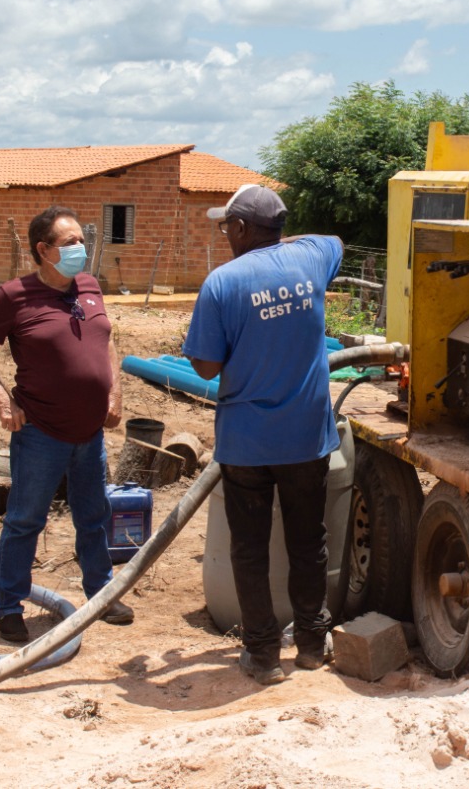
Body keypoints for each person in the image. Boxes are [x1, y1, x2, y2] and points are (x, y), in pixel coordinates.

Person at [183, 184, 343, 685]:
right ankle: (314, 644)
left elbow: (205, 366)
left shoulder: (222, 283)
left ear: (242, 229)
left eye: (228, 225)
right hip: (307, 439)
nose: (224, 233)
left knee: (250, 547)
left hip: (248, 443)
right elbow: (332, 239)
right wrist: (283, 247)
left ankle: (264, 654)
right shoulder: (312, 258)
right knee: (307, 541)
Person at [0, 205, 133, 643]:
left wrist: (114, 393)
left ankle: (101, 594)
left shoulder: (91, 287)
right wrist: (3, 400)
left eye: (82, 239)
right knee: (25, 520)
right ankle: (10, 607)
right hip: (41, 433)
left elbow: (105, 343)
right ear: (43, 250)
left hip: (90, 433)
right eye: (70, 242)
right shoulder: (13, 296)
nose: (81, 248)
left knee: (94, 516)